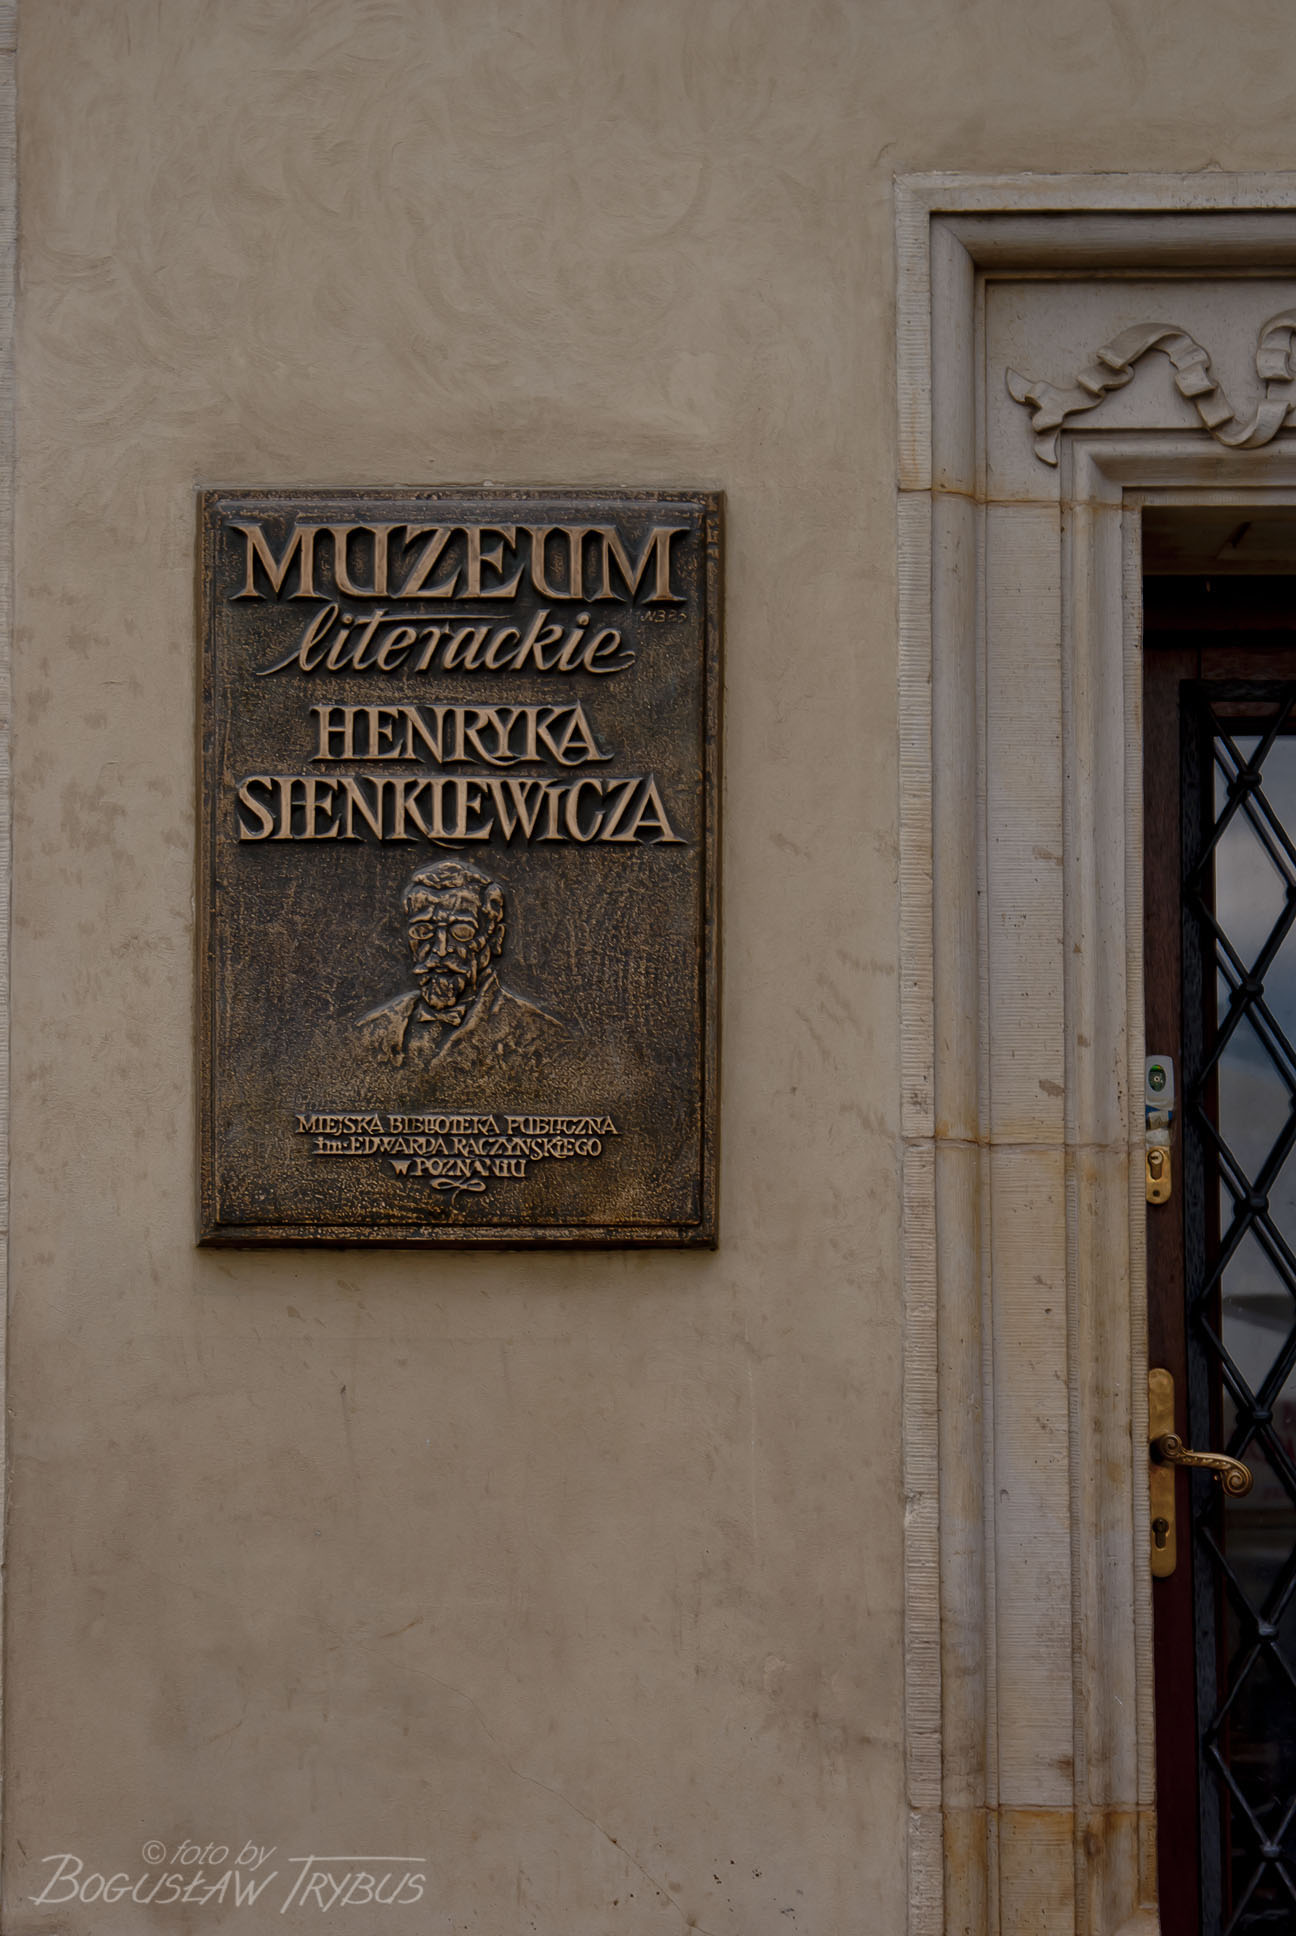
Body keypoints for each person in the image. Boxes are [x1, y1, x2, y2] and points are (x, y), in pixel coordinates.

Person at [355, 859, 566, 1072]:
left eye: (461, 931)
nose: (440, 950)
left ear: (495, 939)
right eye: (423, 930)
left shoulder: (544, 1039)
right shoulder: (369, 1032)